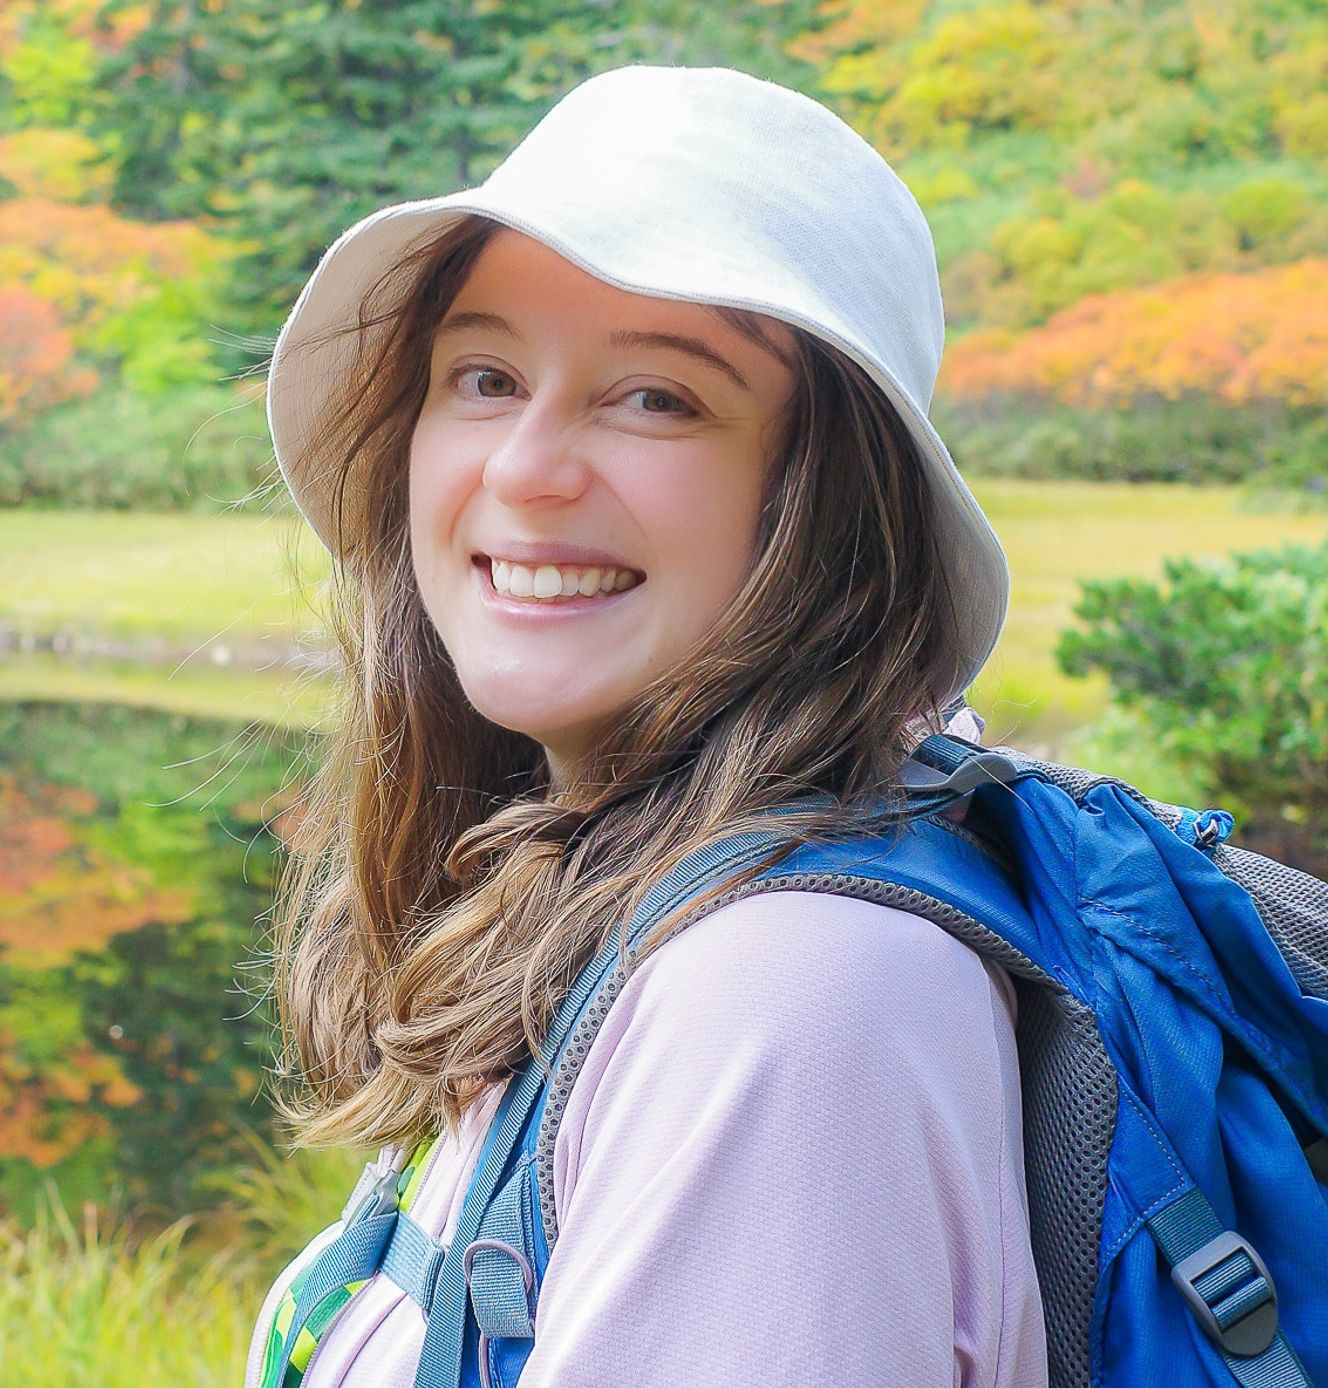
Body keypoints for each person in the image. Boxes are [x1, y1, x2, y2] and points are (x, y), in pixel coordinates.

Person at [247, 63, 1048, 1386]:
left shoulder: (787, 1002)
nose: (523, 468)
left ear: (827, 506)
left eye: (658, 398)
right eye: (486, 376)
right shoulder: (607, 901)